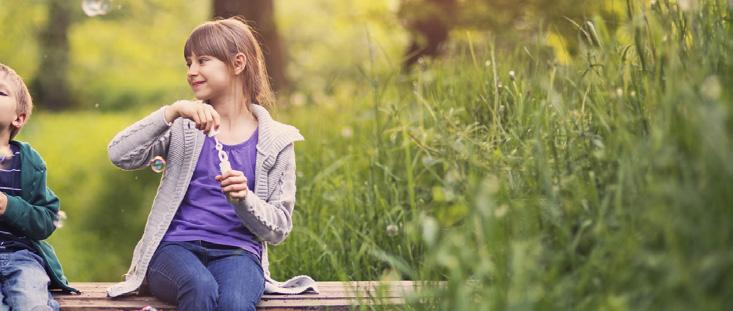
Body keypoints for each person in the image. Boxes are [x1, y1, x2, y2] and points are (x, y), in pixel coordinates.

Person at [106, 18, 316, 310]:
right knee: (199, 287)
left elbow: (279, 229)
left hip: (239, 254)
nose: (191, 71)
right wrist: (172, 112)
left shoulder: (278, 141)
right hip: (174, 249)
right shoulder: (183, 126)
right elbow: (120, 154)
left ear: (238, 63)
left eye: (202, 60)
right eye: (188, 63)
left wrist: (245, 199)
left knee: (234, 303)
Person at [0, 63, 78, 310]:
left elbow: (47, 218)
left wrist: (8, 206)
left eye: (1, 92)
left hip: (22, 258)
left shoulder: (29, 162)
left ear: (18, 118)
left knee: (30, 302)